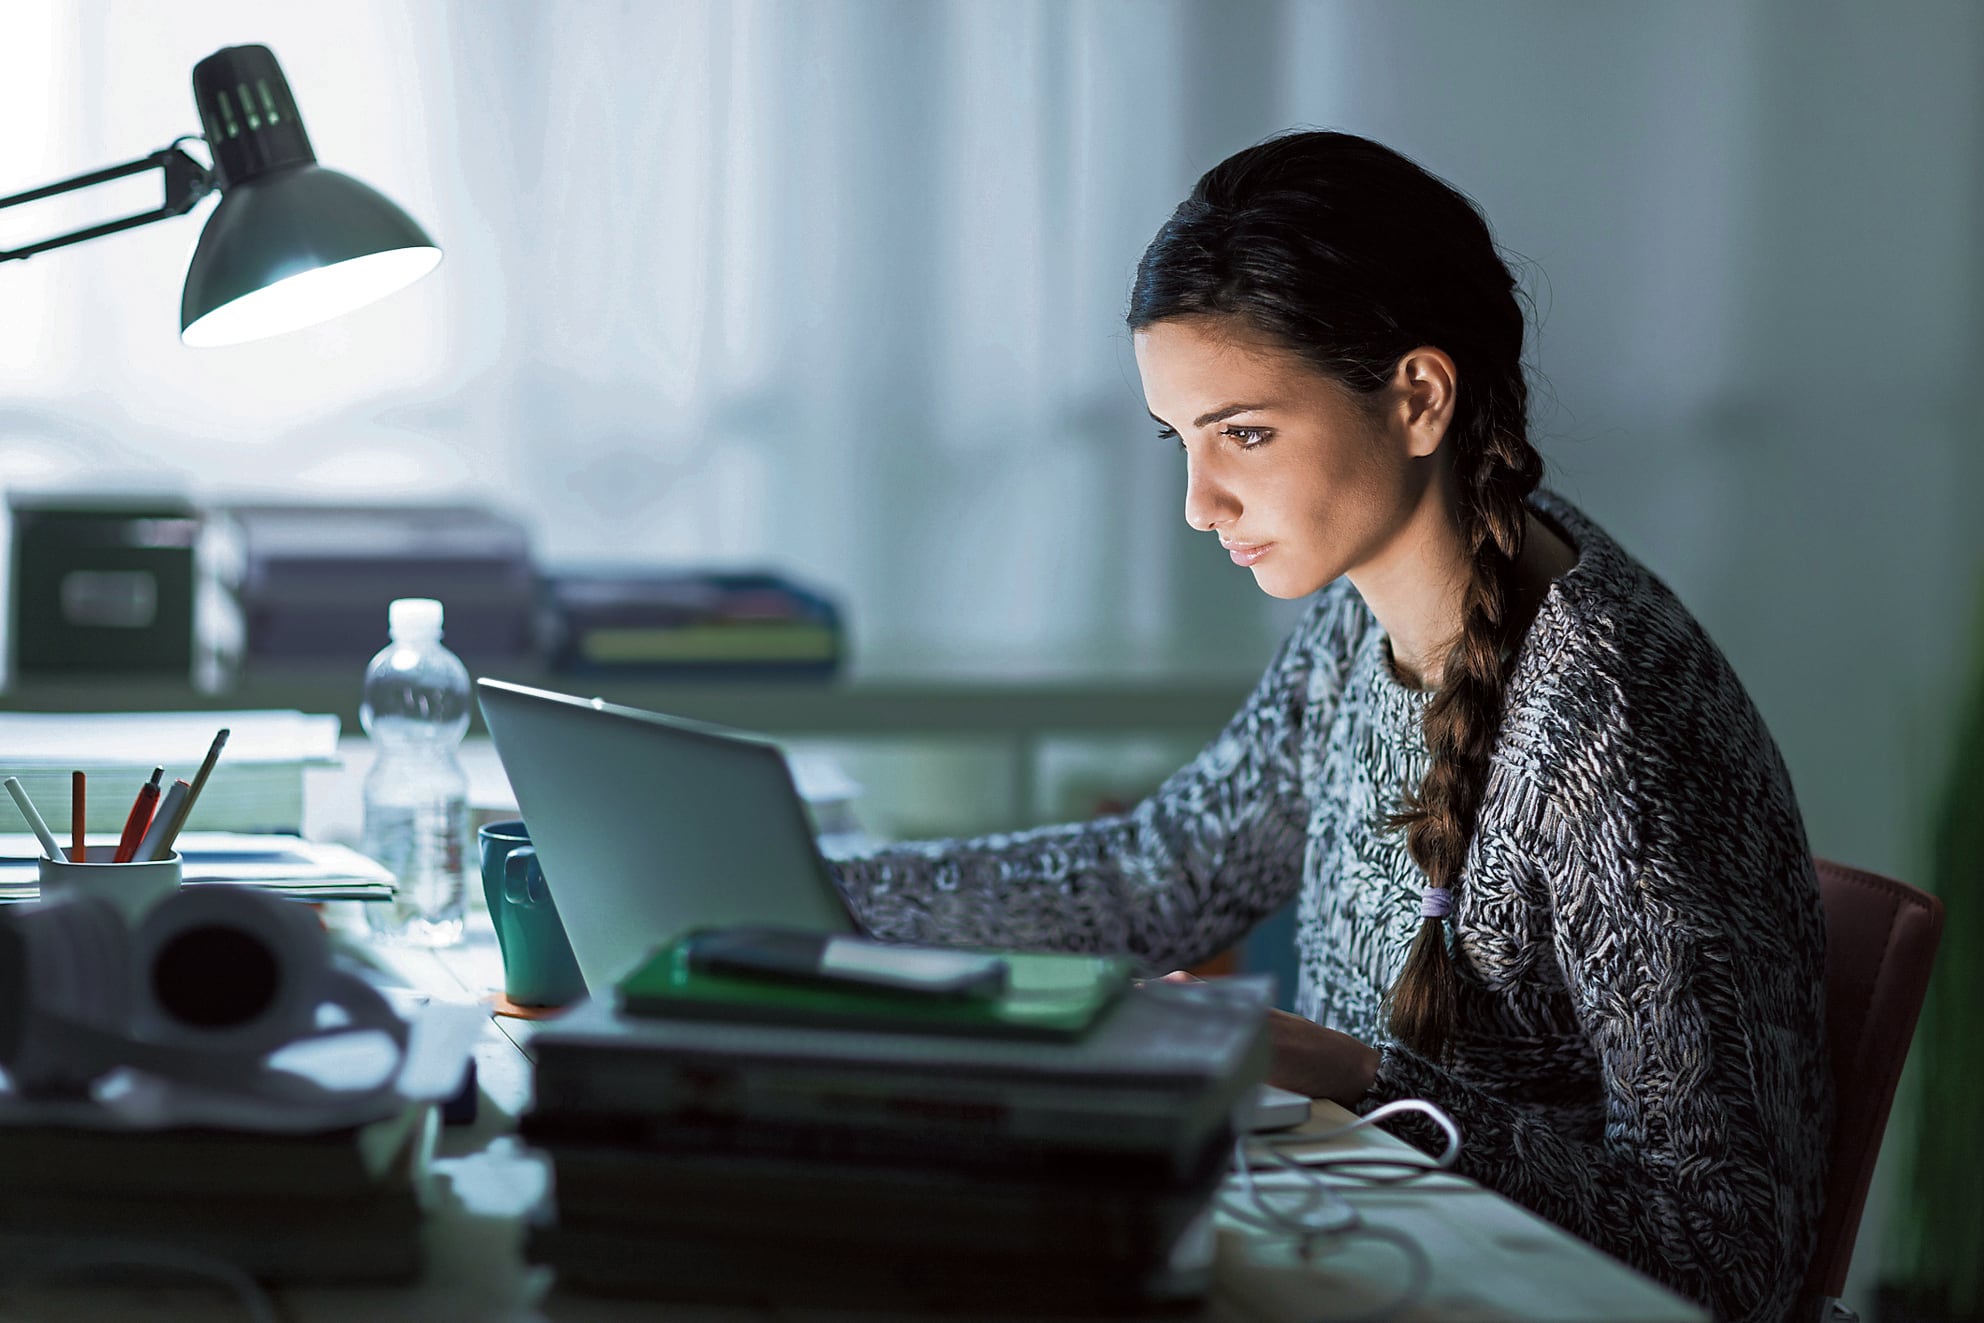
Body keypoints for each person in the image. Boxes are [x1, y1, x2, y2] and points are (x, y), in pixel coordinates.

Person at [828, 130, 1829, 1323]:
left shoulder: (1609, 726)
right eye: (1181, 439)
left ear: (1417, 399)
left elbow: (1727, 1260)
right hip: (1381, 1268)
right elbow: (1163, 874)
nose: (1199, 504)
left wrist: (1360, 1080)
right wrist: (811, 898)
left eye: (1243, 434)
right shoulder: (1374, 608)